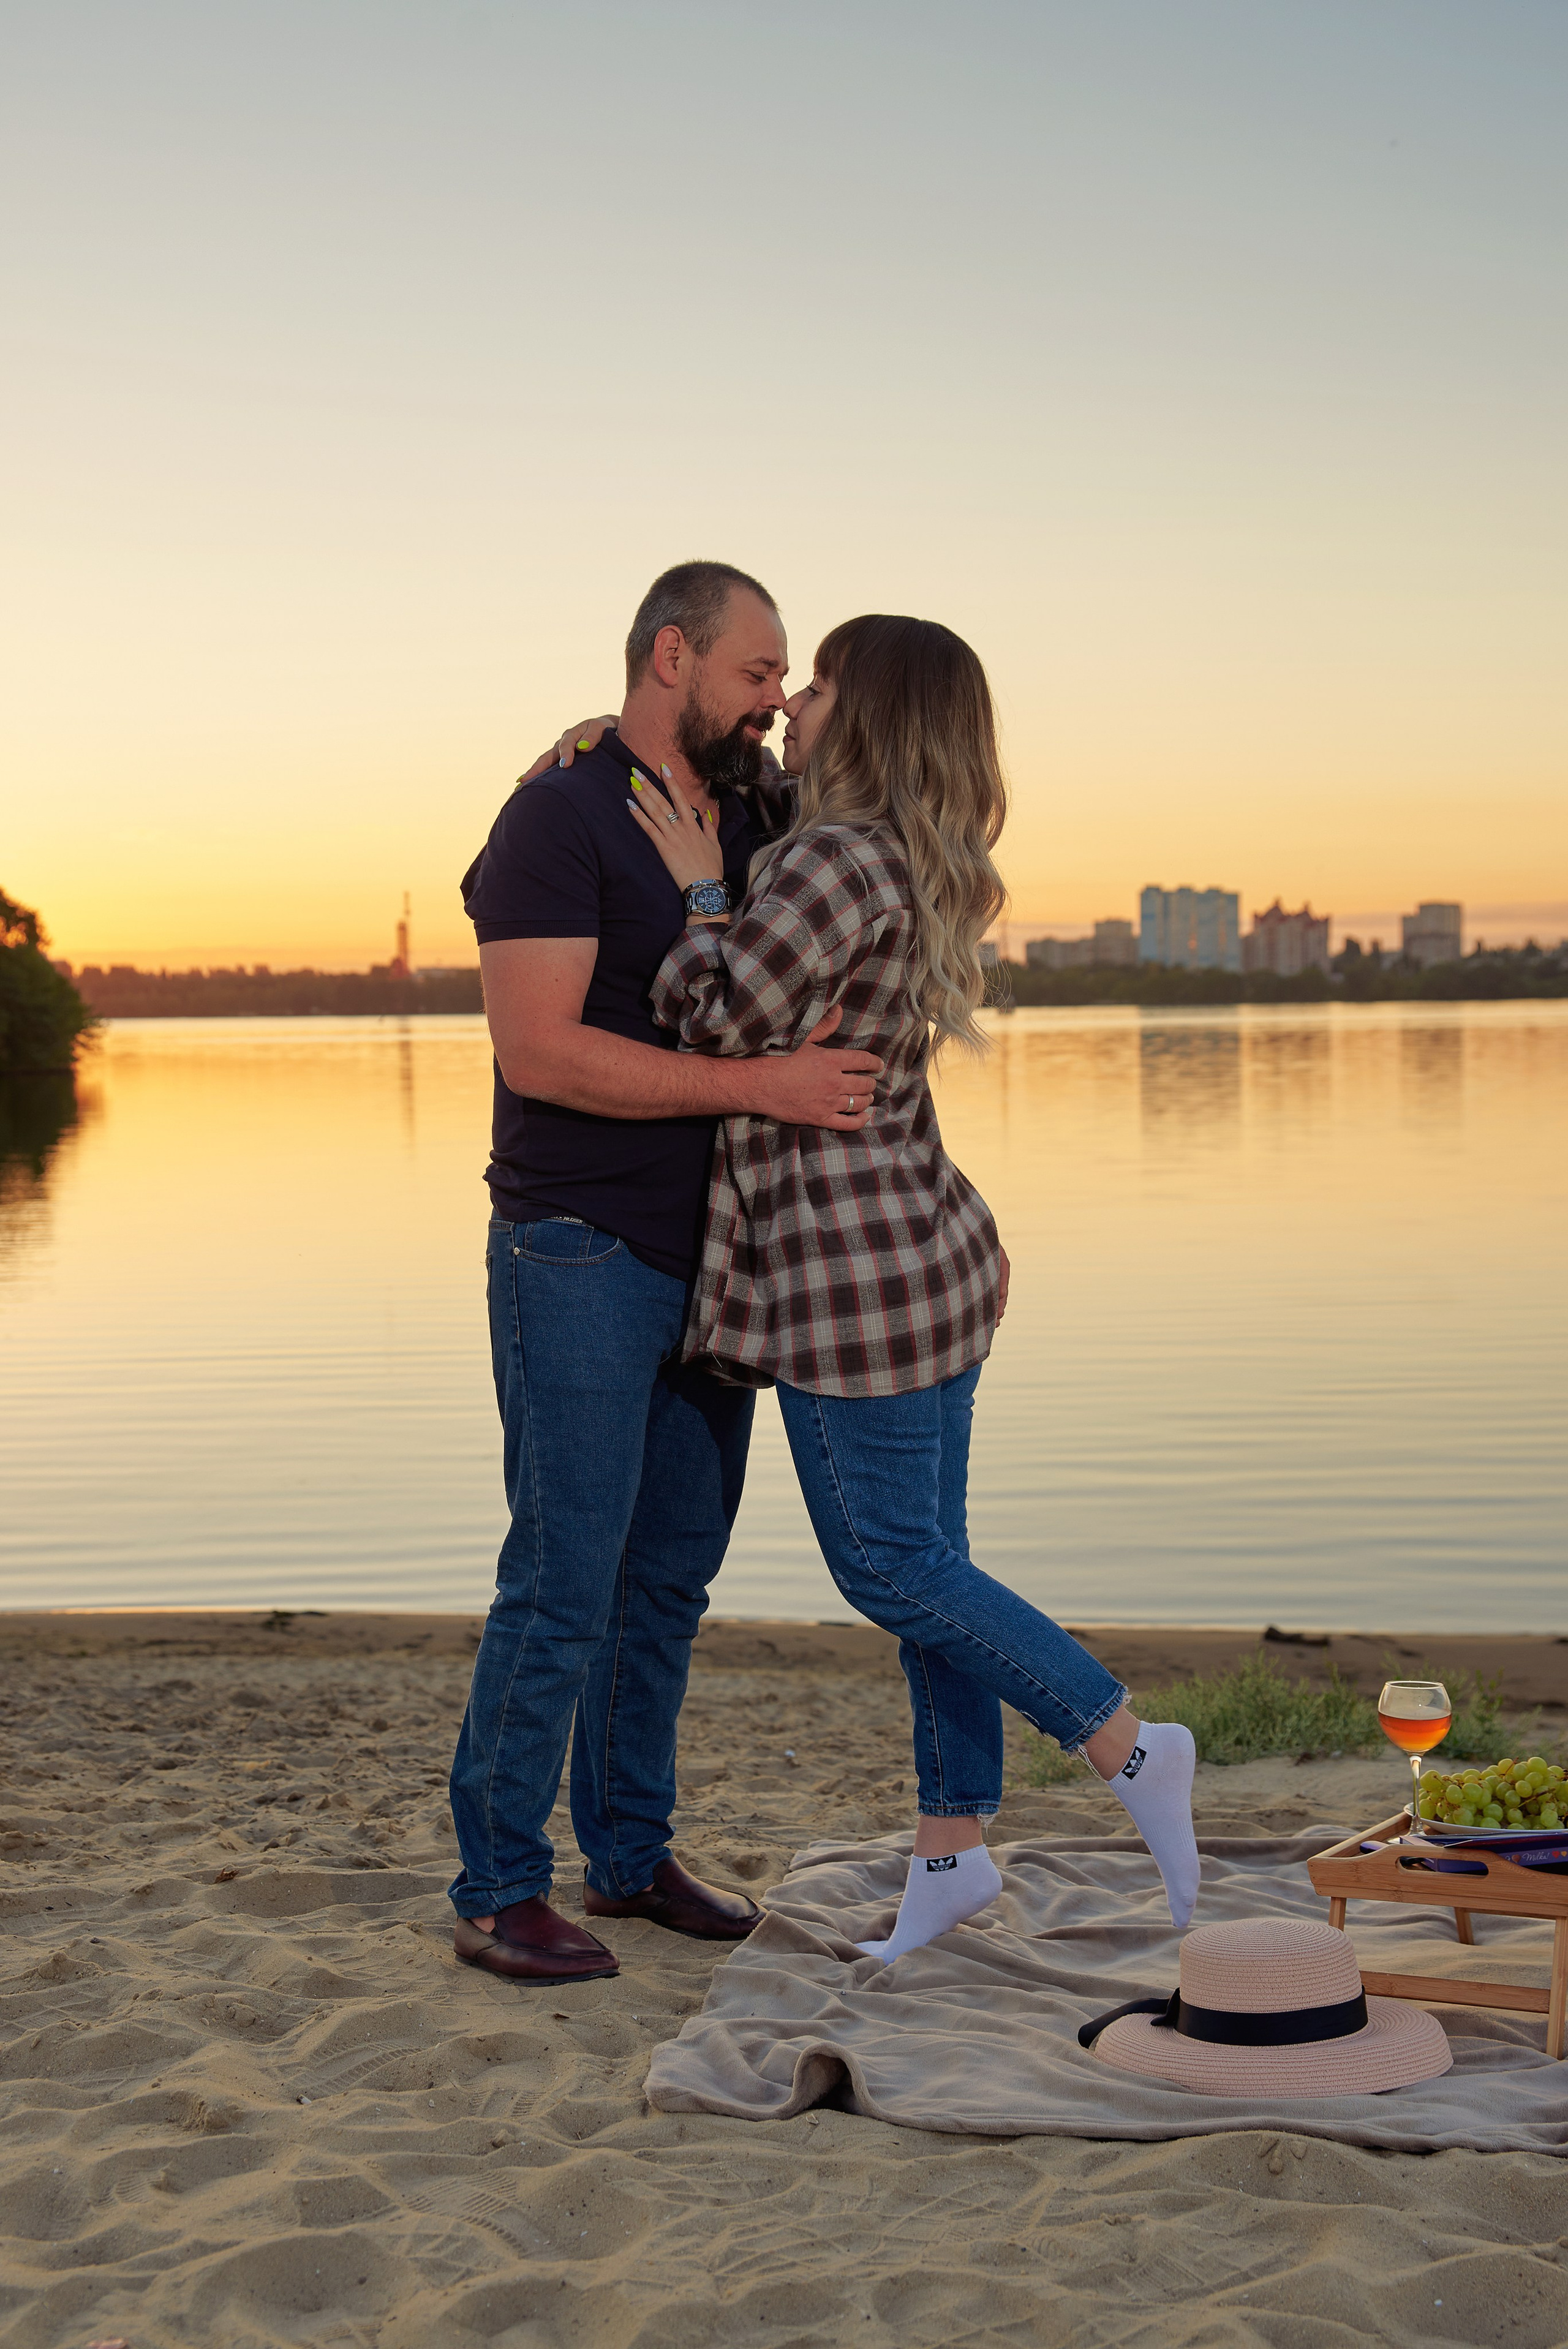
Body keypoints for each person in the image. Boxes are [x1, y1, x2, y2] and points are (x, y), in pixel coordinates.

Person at [548, 614, 1200, 1959]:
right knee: (934, 1567)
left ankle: (1128, 1744)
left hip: (856, 1284)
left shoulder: (833, 860)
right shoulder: (882, 846)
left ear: (870, 713)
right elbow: (765, 835)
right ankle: (953, 1848)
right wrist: (596, 747)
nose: (791, 702)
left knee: (891, 1567)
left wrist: (699, 899)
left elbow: (715, 1017)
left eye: (820, 682)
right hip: (925, 1256)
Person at [448, 560, 887, 1986]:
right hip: (577, 1245)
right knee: (562, 1574)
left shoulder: (761, 811)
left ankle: (628, 1858)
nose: (773, 702)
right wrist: (759, 1081)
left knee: (669, 1582)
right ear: (671, 655)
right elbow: (541, 1053)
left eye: (782, 683)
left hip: (724, 1268)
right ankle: (499, 1885)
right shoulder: (558, 815)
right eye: (757, 674)